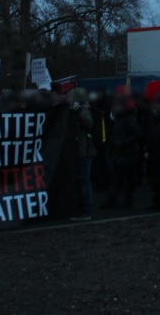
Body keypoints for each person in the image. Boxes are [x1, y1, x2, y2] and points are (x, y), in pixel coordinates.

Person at [69, 88, 95, 221]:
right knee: (81, 181)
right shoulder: (75, 110)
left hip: (84, 151)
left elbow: (89, 124)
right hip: (79, 150)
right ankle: (81, 209)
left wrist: (79, 112)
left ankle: (86, 211)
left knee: (85, 181)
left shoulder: (83, 110)